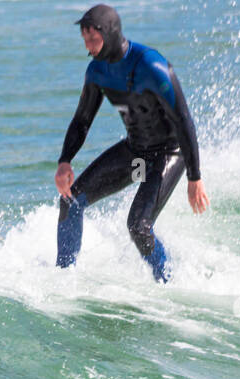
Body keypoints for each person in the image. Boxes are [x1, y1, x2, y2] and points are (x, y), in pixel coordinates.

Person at [54, 4, 209, 282]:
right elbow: (82, 121)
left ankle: (168, 282)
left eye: (94, 38)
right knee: (71, 201)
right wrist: (65, 160)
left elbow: (183, 120)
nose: (88, 46)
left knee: (138, 226)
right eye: (85, 39)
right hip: (136, 151)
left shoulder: (151, 66)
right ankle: (63, 279)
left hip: (169, 153)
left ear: (111, 34)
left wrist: (194, 177)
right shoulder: (97, 72)